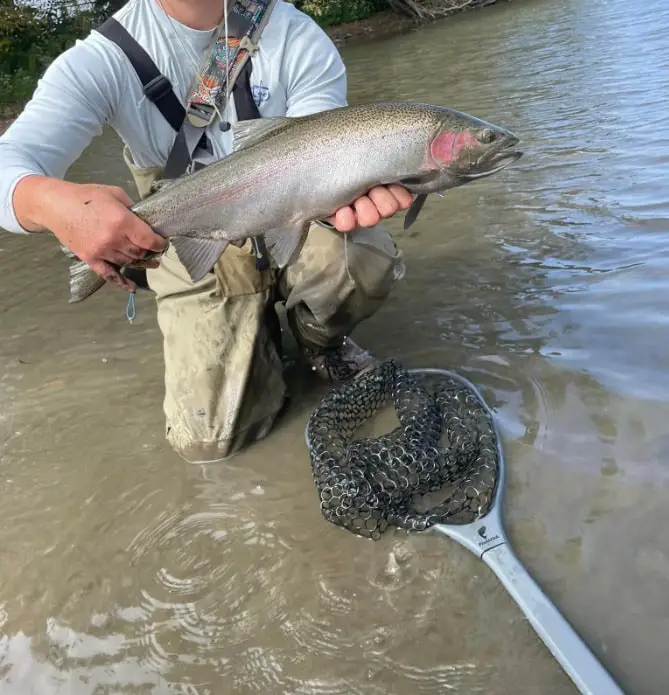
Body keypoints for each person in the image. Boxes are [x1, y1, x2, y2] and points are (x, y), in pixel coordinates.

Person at [0, 0, 412, 463]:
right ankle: (259, 345)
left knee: (362, 258)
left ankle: (321, 341)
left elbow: (324, 159)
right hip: (190, 236)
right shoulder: (104, 58)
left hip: (296, 219)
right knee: (209, 442)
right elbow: (10, 162)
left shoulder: (294, 35)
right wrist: (52, 204)